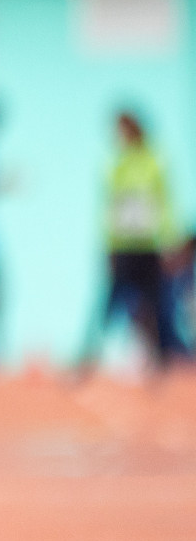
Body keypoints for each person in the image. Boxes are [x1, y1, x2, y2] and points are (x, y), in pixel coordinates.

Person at [81, 111, 183, 373]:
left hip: (148, 246)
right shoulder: (117, 164)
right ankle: (88, 358)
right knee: (109, 305)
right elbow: (111, 210)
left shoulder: (154, 161)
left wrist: (169, 241)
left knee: (157, 305)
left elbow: (165, 204)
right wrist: (108, 246)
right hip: (123, 247)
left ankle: (161, 360)